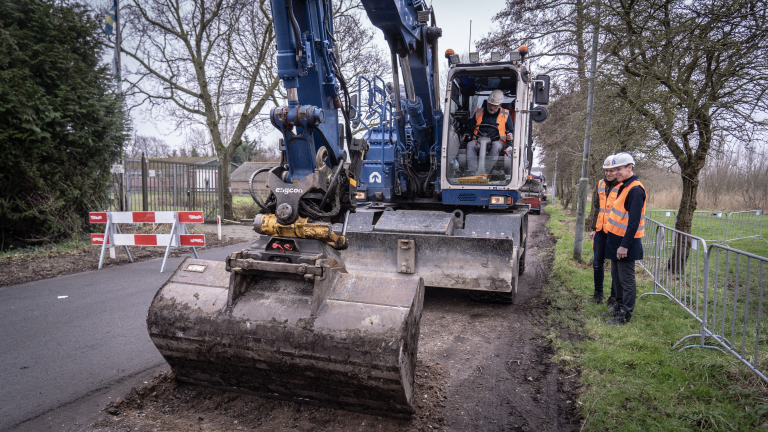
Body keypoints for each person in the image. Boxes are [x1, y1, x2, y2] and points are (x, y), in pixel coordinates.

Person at [603, 152, 646, 325]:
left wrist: (624, 246)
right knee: (617, 278)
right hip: (616, 241)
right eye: (614, 169)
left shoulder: (635, 189)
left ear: (630, 167)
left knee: (626, 280)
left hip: (625, 244)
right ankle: (618, 308)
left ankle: (625, 315)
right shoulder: (624, 186)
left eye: (619, 169)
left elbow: (634, 222)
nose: (616, 172)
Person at [584, 155, 619, 305]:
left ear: (617, 171)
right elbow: (598, 207)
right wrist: (594, 228)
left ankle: (613, 297)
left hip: (615, 231)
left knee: (614, 267)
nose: (609, 173)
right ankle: (598, 294)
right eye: (606, 171)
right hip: (600, 231)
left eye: (612, 171)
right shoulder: (600, 184)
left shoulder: (622, 186)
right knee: (597, 264)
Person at [463, 89, 514, 174]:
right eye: (490, 104)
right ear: (487, 102)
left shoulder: (506, 115)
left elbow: (511, 131)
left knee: (496, 146)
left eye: (494, 105)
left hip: (497, 141)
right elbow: (469, 129)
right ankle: (474, 173)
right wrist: (468, 135)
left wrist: (510, 135)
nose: (491, 107)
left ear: (499, 105)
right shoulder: (478, 113)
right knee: (470, 145)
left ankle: (485, 173)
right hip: (478, 141)